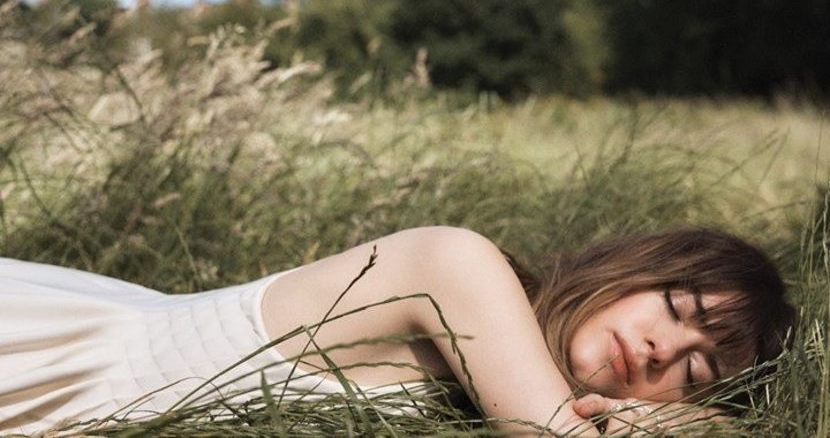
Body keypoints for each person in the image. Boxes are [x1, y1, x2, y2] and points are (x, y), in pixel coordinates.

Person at [0, 226, 794, 436]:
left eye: (694, 372)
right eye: (678, 310)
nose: (662, 349)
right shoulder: (459, 267)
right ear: (631, 268)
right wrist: (695, 423)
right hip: (51, 366)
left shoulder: (475, 405)